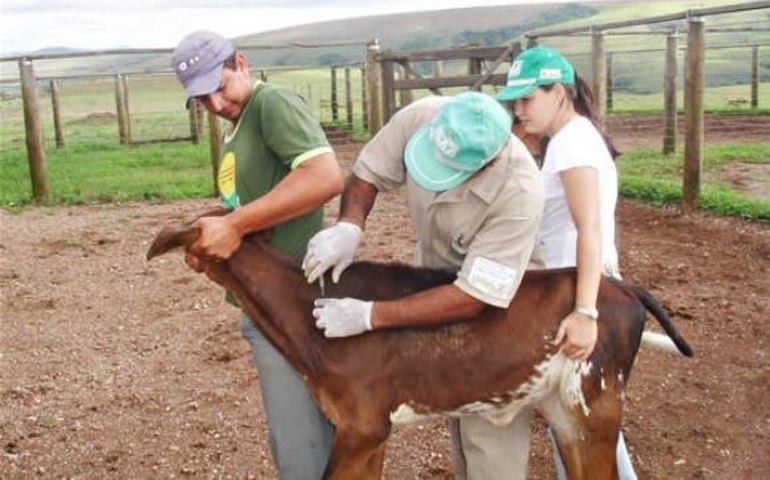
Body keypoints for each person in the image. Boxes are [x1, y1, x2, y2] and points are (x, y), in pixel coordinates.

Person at [302, 91, 545, 479]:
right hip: (432, 274)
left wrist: (370, 315)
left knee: (488, 415)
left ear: (485, 164)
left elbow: (473, 297)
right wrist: (349, 224)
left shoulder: (518, 191)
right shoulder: (424, 115)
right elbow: (367, 172)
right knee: (454, 399)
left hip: (500, 299)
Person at [171, 30, 345, 479]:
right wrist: (210, 233)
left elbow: (325, 176)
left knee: (300, 447)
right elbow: (251, 204)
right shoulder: (238, 126)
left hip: (290, 304)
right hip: (267, 303)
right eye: (201, 100)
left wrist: (235, 225)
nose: (214, 105)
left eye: (220, 88)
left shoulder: (272, 104)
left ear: (242, 64)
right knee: (303, 436)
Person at [497, 45, 636, 479]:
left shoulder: (573, 143)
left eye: (527, 99)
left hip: (582, 291)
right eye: (515, 101)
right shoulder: (567, 139)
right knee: (579, 427)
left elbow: (589, 228)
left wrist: (585, 311)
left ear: (558, 92)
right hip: (572, 288)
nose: (519, 110)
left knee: (586, 430)